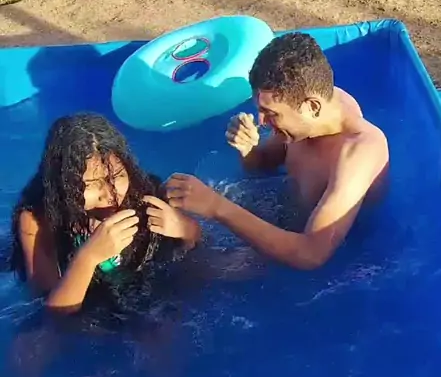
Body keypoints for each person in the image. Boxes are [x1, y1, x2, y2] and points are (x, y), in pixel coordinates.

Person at [165, 32, 389, 270]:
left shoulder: (358, 154)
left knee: (194, 270)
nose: (261, 122)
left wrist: (216, 207)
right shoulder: (308, 109)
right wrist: (248, 149)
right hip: (282, 214)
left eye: (270, 113)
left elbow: (312, 255)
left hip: (336, 259)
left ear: (312, 107)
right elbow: (262, 164)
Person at [10, 113, 201, 313]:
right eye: (91, 184)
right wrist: (88, 257)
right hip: (86, 304)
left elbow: (195, 244)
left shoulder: (141, 193)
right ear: (64, 183)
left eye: (117, 176)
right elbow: (51, 311)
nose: (110, 195)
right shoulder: (38, 219)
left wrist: (185, 229)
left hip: (136, 289)